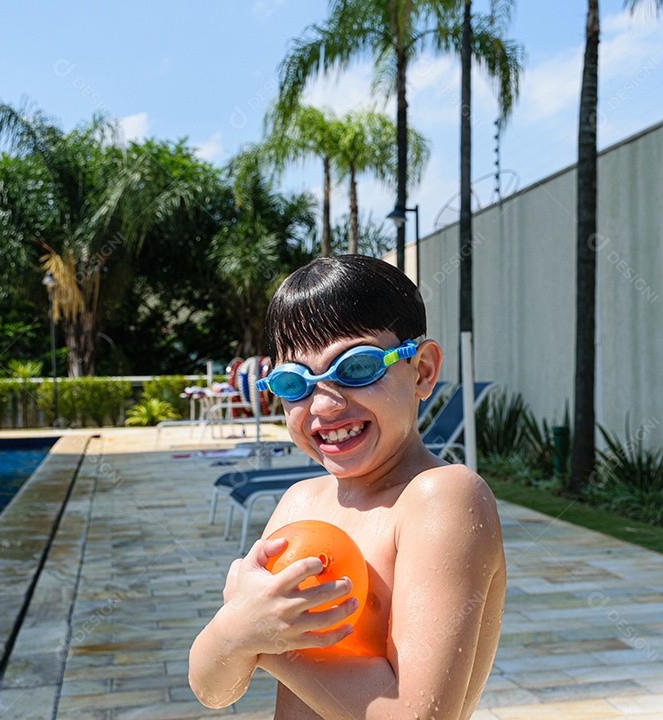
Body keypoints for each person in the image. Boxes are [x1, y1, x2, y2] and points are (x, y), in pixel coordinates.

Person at [189, 254, 506, 719]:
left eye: (356, 367)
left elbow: (416, 715)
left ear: (421, 370)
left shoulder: (441, 498)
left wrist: (269, 643)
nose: (324, 402)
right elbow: (212, 688)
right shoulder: (300, 502)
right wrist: (236, 632)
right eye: (294, 382)